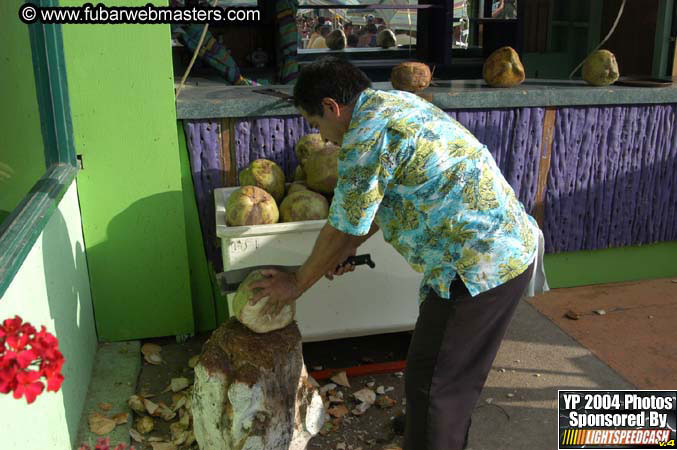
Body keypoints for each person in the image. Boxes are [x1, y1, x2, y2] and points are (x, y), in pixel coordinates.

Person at [249, 58, 546, 450]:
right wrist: (348, 247)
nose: (324, 137)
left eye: (317, 125)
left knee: (436, 381)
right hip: (504, 247)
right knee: (447, 372)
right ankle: (430, 429)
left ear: (331, 107)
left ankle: (433, 435)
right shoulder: (397, 104)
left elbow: (341, 226)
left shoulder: (365, 135)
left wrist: (297, 282)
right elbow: (374, 203)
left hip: (478, 266)